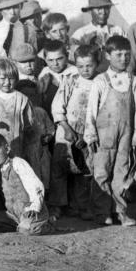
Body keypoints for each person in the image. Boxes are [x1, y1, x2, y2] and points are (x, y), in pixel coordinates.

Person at [84, 36, 136, 226]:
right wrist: (90, 133)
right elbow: (91, 111)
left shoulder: (134, 81)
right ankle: (102, 212)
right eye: (118, 54)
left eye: (127, 54)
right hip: (104, 136)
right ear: (108, 55)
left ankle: (121, 212)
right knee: (101, 172)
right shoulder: (101, 80)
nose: (123, 59)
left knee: (122, 172)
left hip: (126, 135)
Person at [49, 46, 101, 221]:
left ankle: (81, 205)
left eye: (89, 65)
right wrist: (66, 128)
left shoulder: (101, 83)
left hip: (88, 134)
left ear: (97, 63)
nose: (85, 70)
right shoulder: (70, 81)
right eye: (80, 66)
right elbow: (58, 106)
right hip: (66, 133)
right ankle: (57, 205)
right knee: (60, 169)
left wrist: (87, 136)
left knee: (83, 170)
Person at [0, 133, 51, 235]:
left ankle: (47, 224)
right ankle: (17, 225)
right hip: (12, 214)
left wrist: (35, 206)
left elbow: (35, 185)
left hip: (30, 211)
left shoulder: (17, 163)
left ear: (7, 149)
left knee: (28, 230)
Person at [70, 0, 125, 65]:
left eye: (106, 8)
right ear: (90, 10)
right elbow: (74, 61)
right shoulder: (79, 34)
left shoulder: (118, 31)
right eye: (99, 8)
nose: (103, 12)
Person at [17, 80, 53, 191]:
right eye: (25, 95)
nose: (28, 98)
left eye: (31, 95)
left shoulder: (40, 112)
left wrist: (48, 138)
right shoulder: (17, 113)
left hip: (42, 151)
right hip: (25, 152)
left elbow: (51, 129)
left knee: (45, 175)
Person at [38, 39, 78, 116]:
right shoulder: (45, 72)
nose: (55, 63)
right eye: (50, 60)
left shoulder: (75, 71)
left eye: (59, 59)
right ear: (45, 60)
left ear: (67, 56)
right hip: (50, 112)